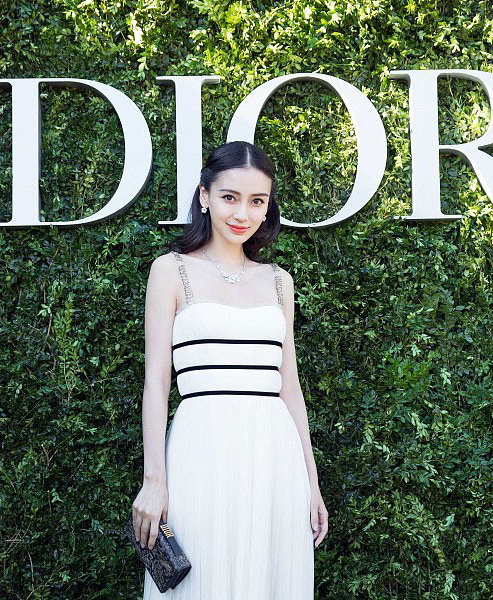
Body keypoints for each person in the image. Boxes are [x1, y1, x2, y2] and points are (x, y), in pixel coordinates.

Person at [133, 141, 328, 599]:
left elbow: (290, 388)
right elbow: (157, 382)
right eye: (229, 197)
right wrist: (154, 481)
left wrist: (312, 483)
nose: (243, 213)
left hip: (275, 458)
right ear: (204, 196)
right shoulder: (170, 270)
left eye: (257, 201)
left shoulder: (279, 281)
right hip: (200, 451)